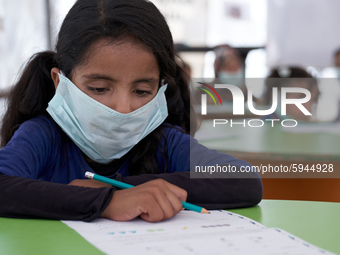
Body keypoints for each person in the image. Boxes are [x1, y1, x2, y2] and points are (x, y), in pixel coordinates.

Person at [0, 0, 262, 222]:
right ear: (60, 83)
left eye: (141, 91)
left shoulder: (163, 143)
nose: (123, 108)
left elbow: (244, 180)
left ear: (160, 88)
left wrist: (120, 189)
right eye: (99, 88)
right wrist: (106, 202)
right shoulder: (43, 136)